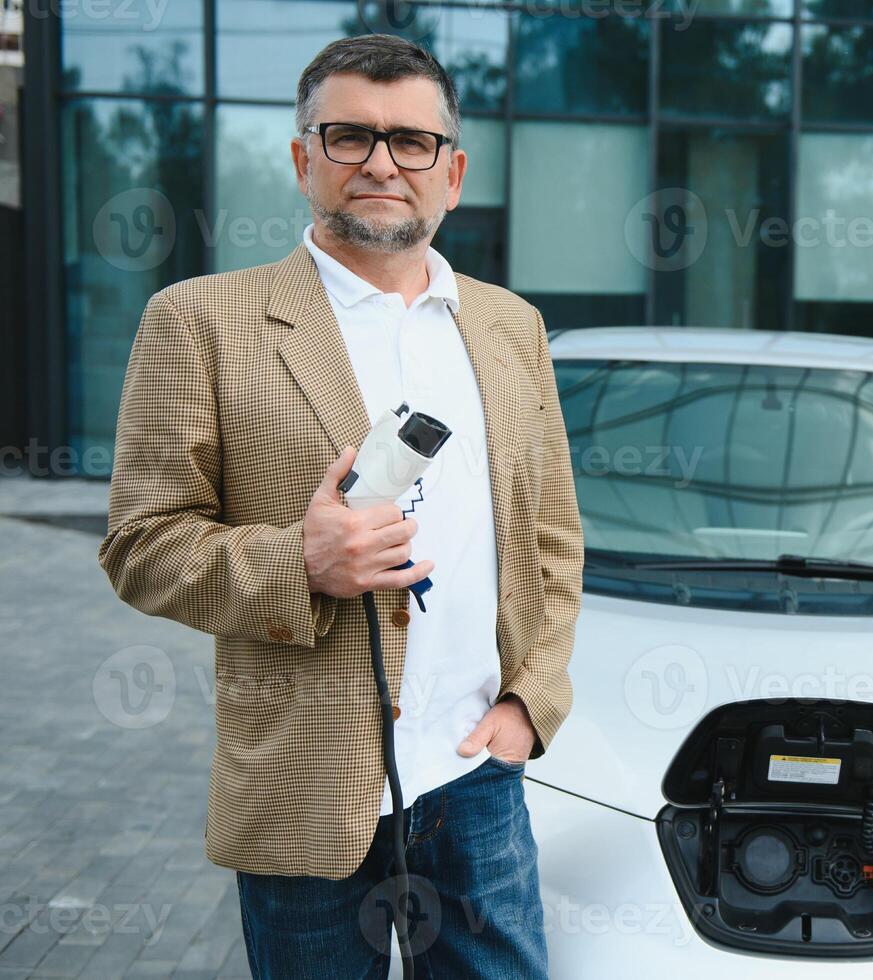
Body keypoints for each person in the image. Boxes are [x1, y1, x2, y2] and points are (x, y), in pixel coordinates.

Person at [97, 33, 583, 979]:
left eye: (410, 142)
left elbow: (551, 537)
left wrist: (534, 697)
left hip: (475, 773)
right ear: (301, 158)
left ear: (452, 172)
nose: (379, 163)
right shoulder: (200, 321)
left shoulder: (510, 326)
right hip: (302, 782)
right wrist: (300, 563)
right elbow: (139, 545)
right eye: (348, 136)